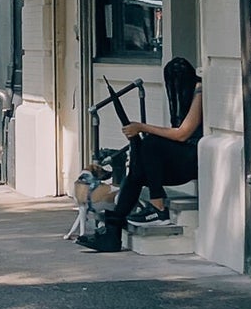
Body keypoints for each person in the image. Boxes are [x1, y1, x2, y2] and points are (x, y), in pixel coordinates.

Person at [79, 56, 202, 252]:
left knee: (151, 144)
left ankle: (158, 207)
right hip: (185, 157)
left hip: (197, 159)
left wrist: (142, 127)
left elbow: (182, 133)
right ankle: (112, 233)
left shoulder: (199, 91)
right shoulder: (186, 94)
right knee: (137, 170)